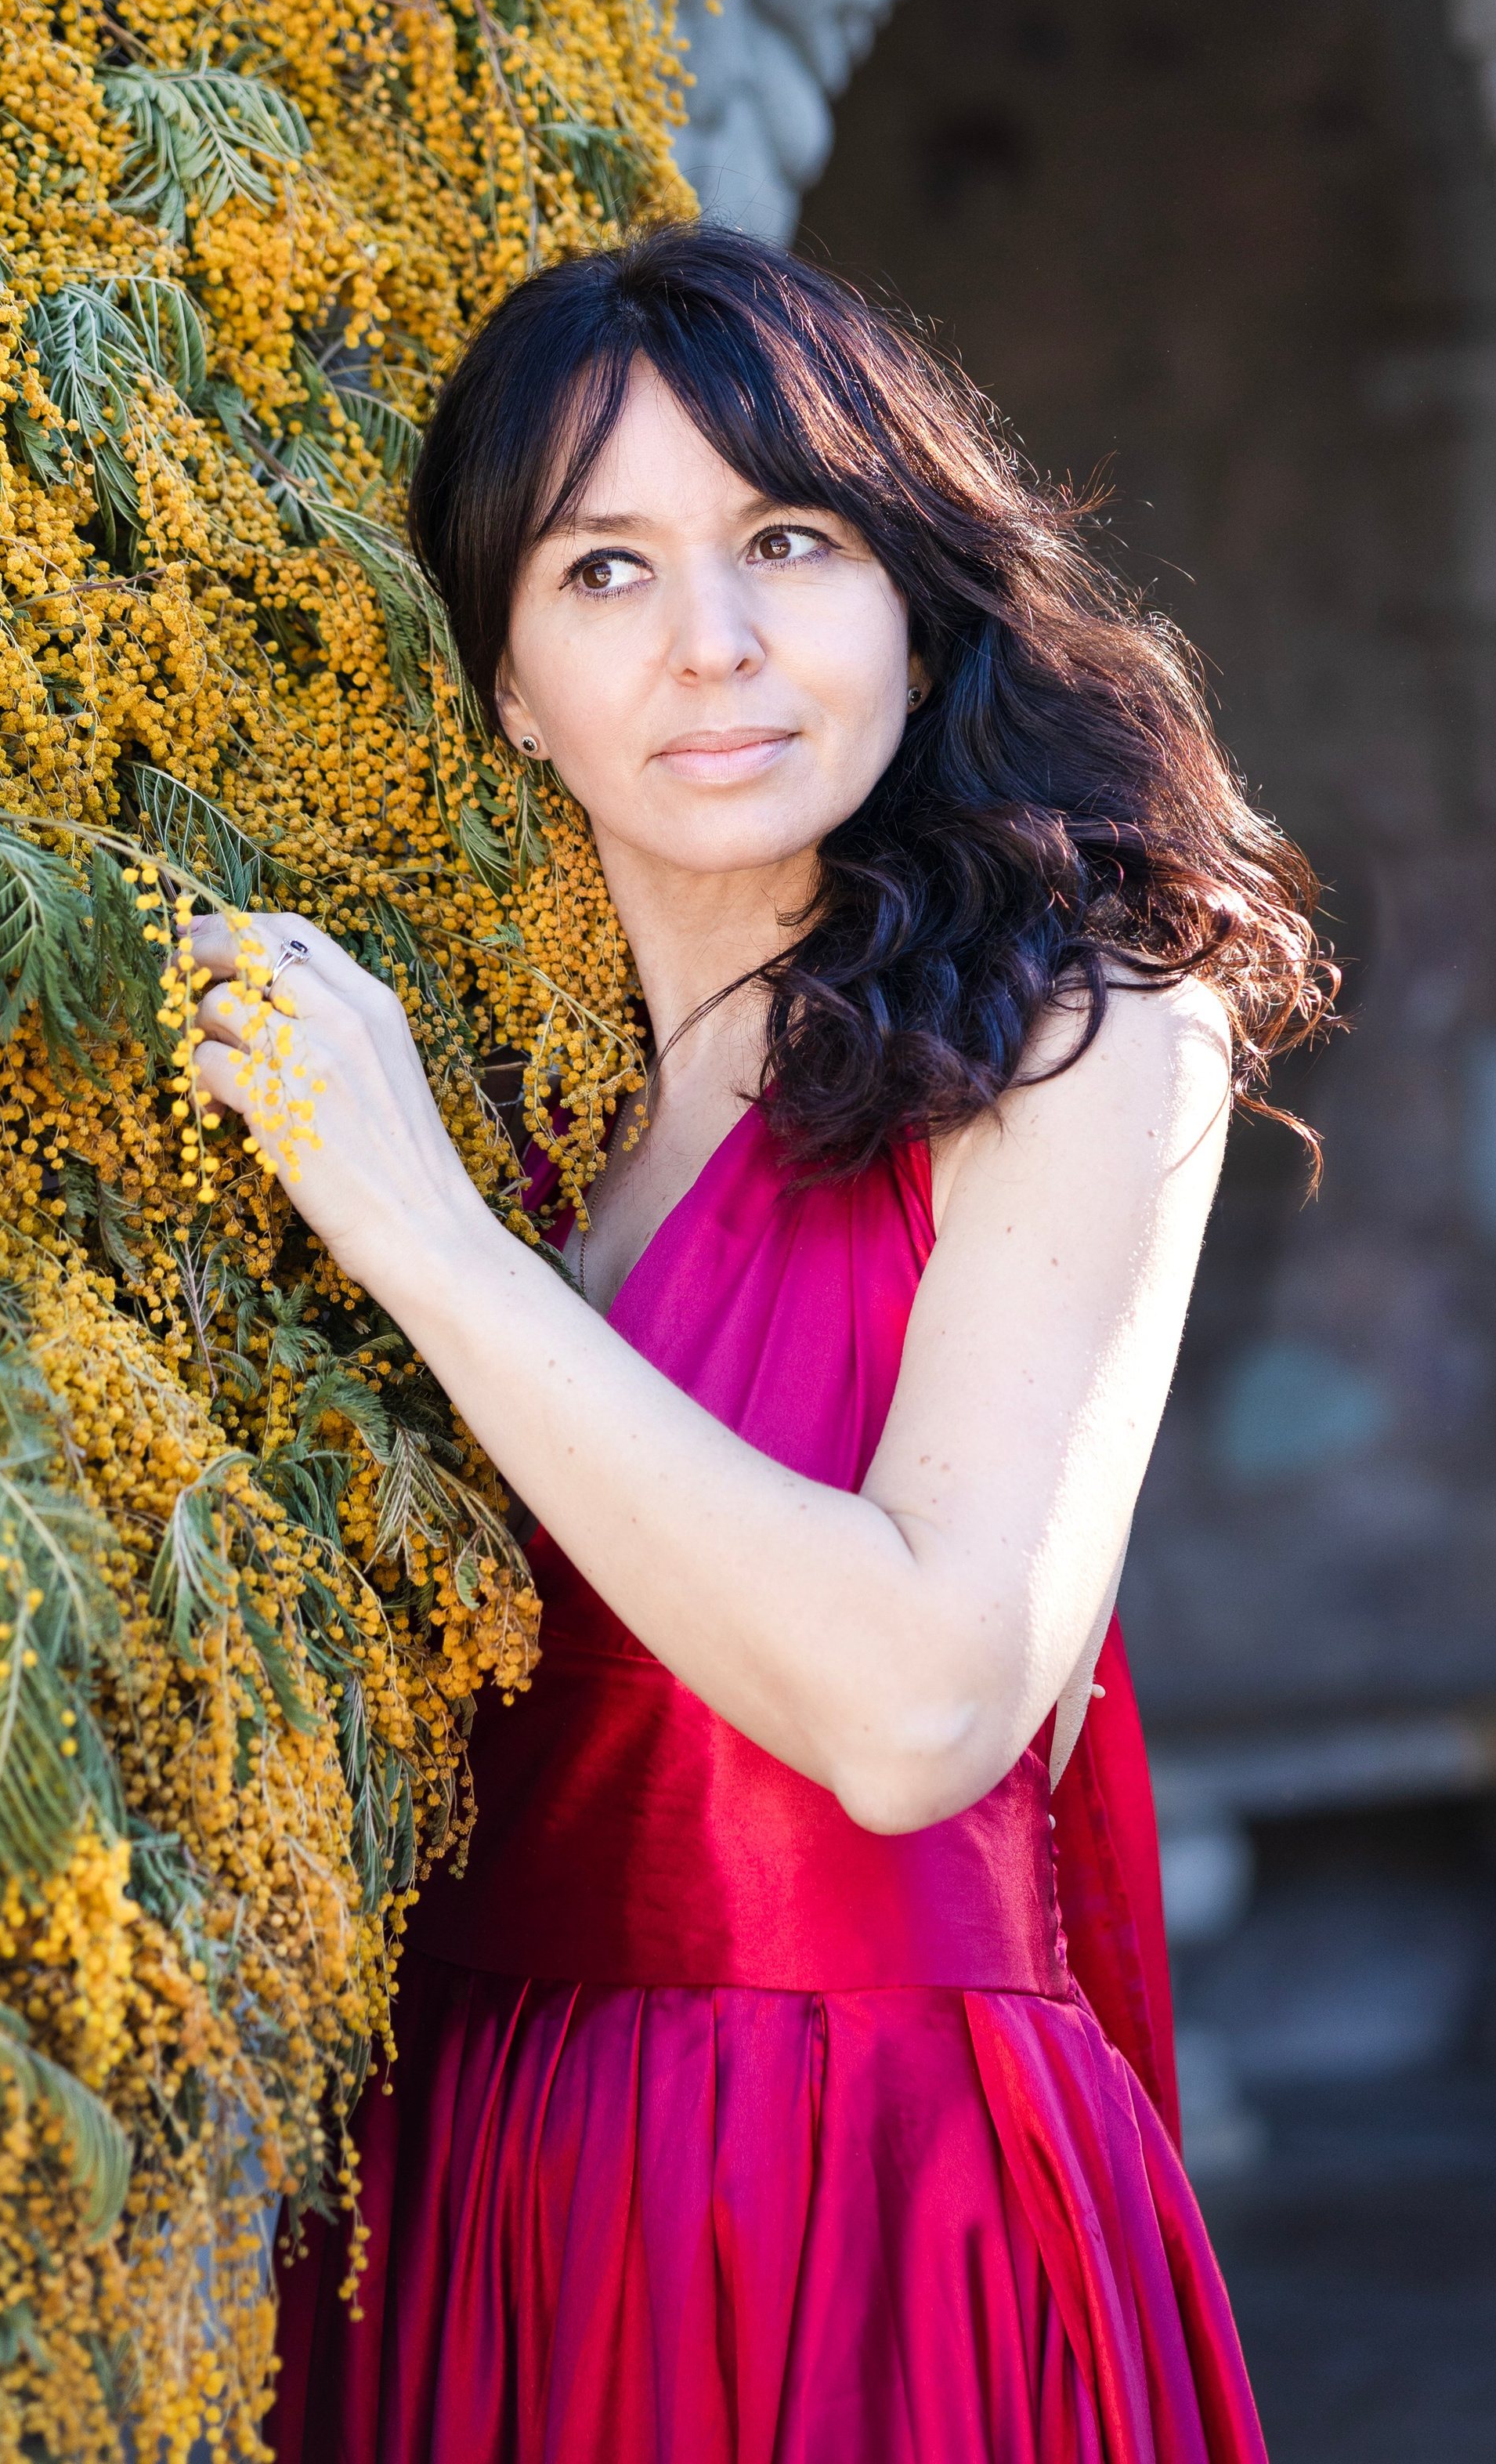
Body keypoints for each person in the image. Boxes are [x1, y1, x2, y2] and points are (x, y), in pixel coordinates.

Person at [188, 225, 1332, 2464]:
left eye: (784, 541)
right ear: (509, 675)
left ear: (910, 592)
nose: (710, 644)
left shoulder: (1089, 1036)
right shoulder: (513, 1090)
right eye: (601, 570)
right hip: (470, 2181)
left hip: (871, 2202)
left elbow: (921, 1701)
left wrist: (422, 1232)